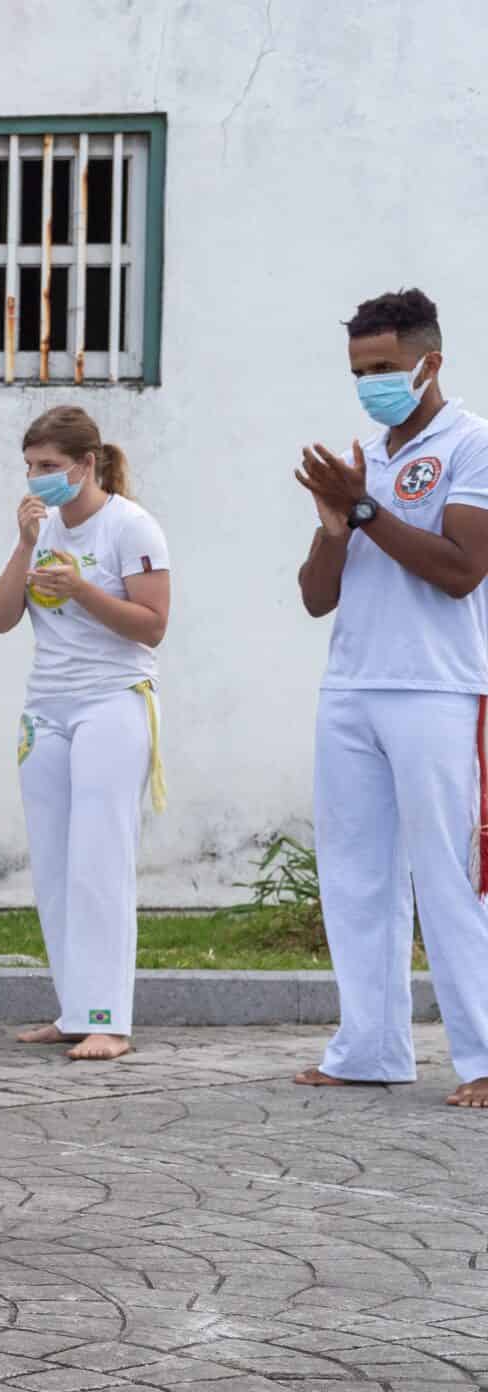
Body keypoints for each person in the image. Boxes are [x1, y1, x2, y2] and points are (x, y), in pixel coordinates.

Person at [293, 287, 488, 1109]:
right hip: (352, 686)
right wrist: (337, 525)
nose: (370, 383)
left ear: (428, 362)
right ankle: (370, 1045)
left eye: (383, 367)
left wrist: (366, 507)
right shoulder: (364, 453)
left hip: (438, 688)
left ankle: (481, 1057)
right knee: (355, 876)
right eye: (358, 371)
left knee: (452, 877)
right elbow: (314, 597)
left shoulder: (471, 444)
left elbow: (460, 570)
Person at [0, 407, 171, 1062]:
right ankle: (73, 1009)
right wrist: (21, 546)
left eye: (50, 468)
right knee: (56, 863)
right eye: (30, 468)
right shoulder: (41, 529)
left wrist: (83, 589)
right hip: (48, 709)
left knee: (100, 857)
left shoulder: (130, 525)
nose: (38, 480)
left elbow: (152, 624)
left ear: (87, 465)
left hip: (111, 703)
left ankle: (108, 1018)